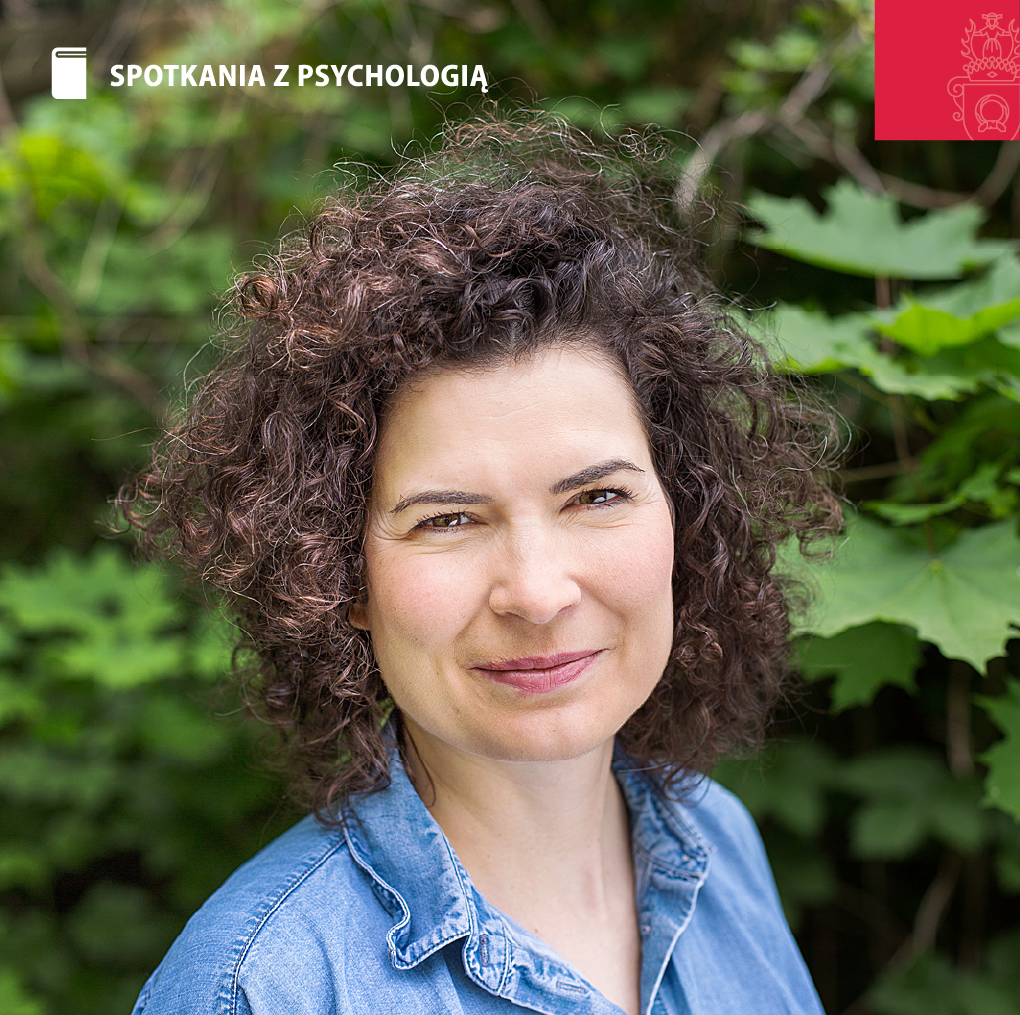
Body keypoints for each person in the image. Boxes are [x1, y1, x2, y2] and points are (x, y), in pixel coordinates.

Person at [121, 107, 841, 1015]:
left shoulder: (716, 843)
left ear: (683, 514)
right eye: (449, 520)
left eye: (597, 497)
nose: (536, 594)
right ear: (337, 574)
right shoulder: (259, 989)